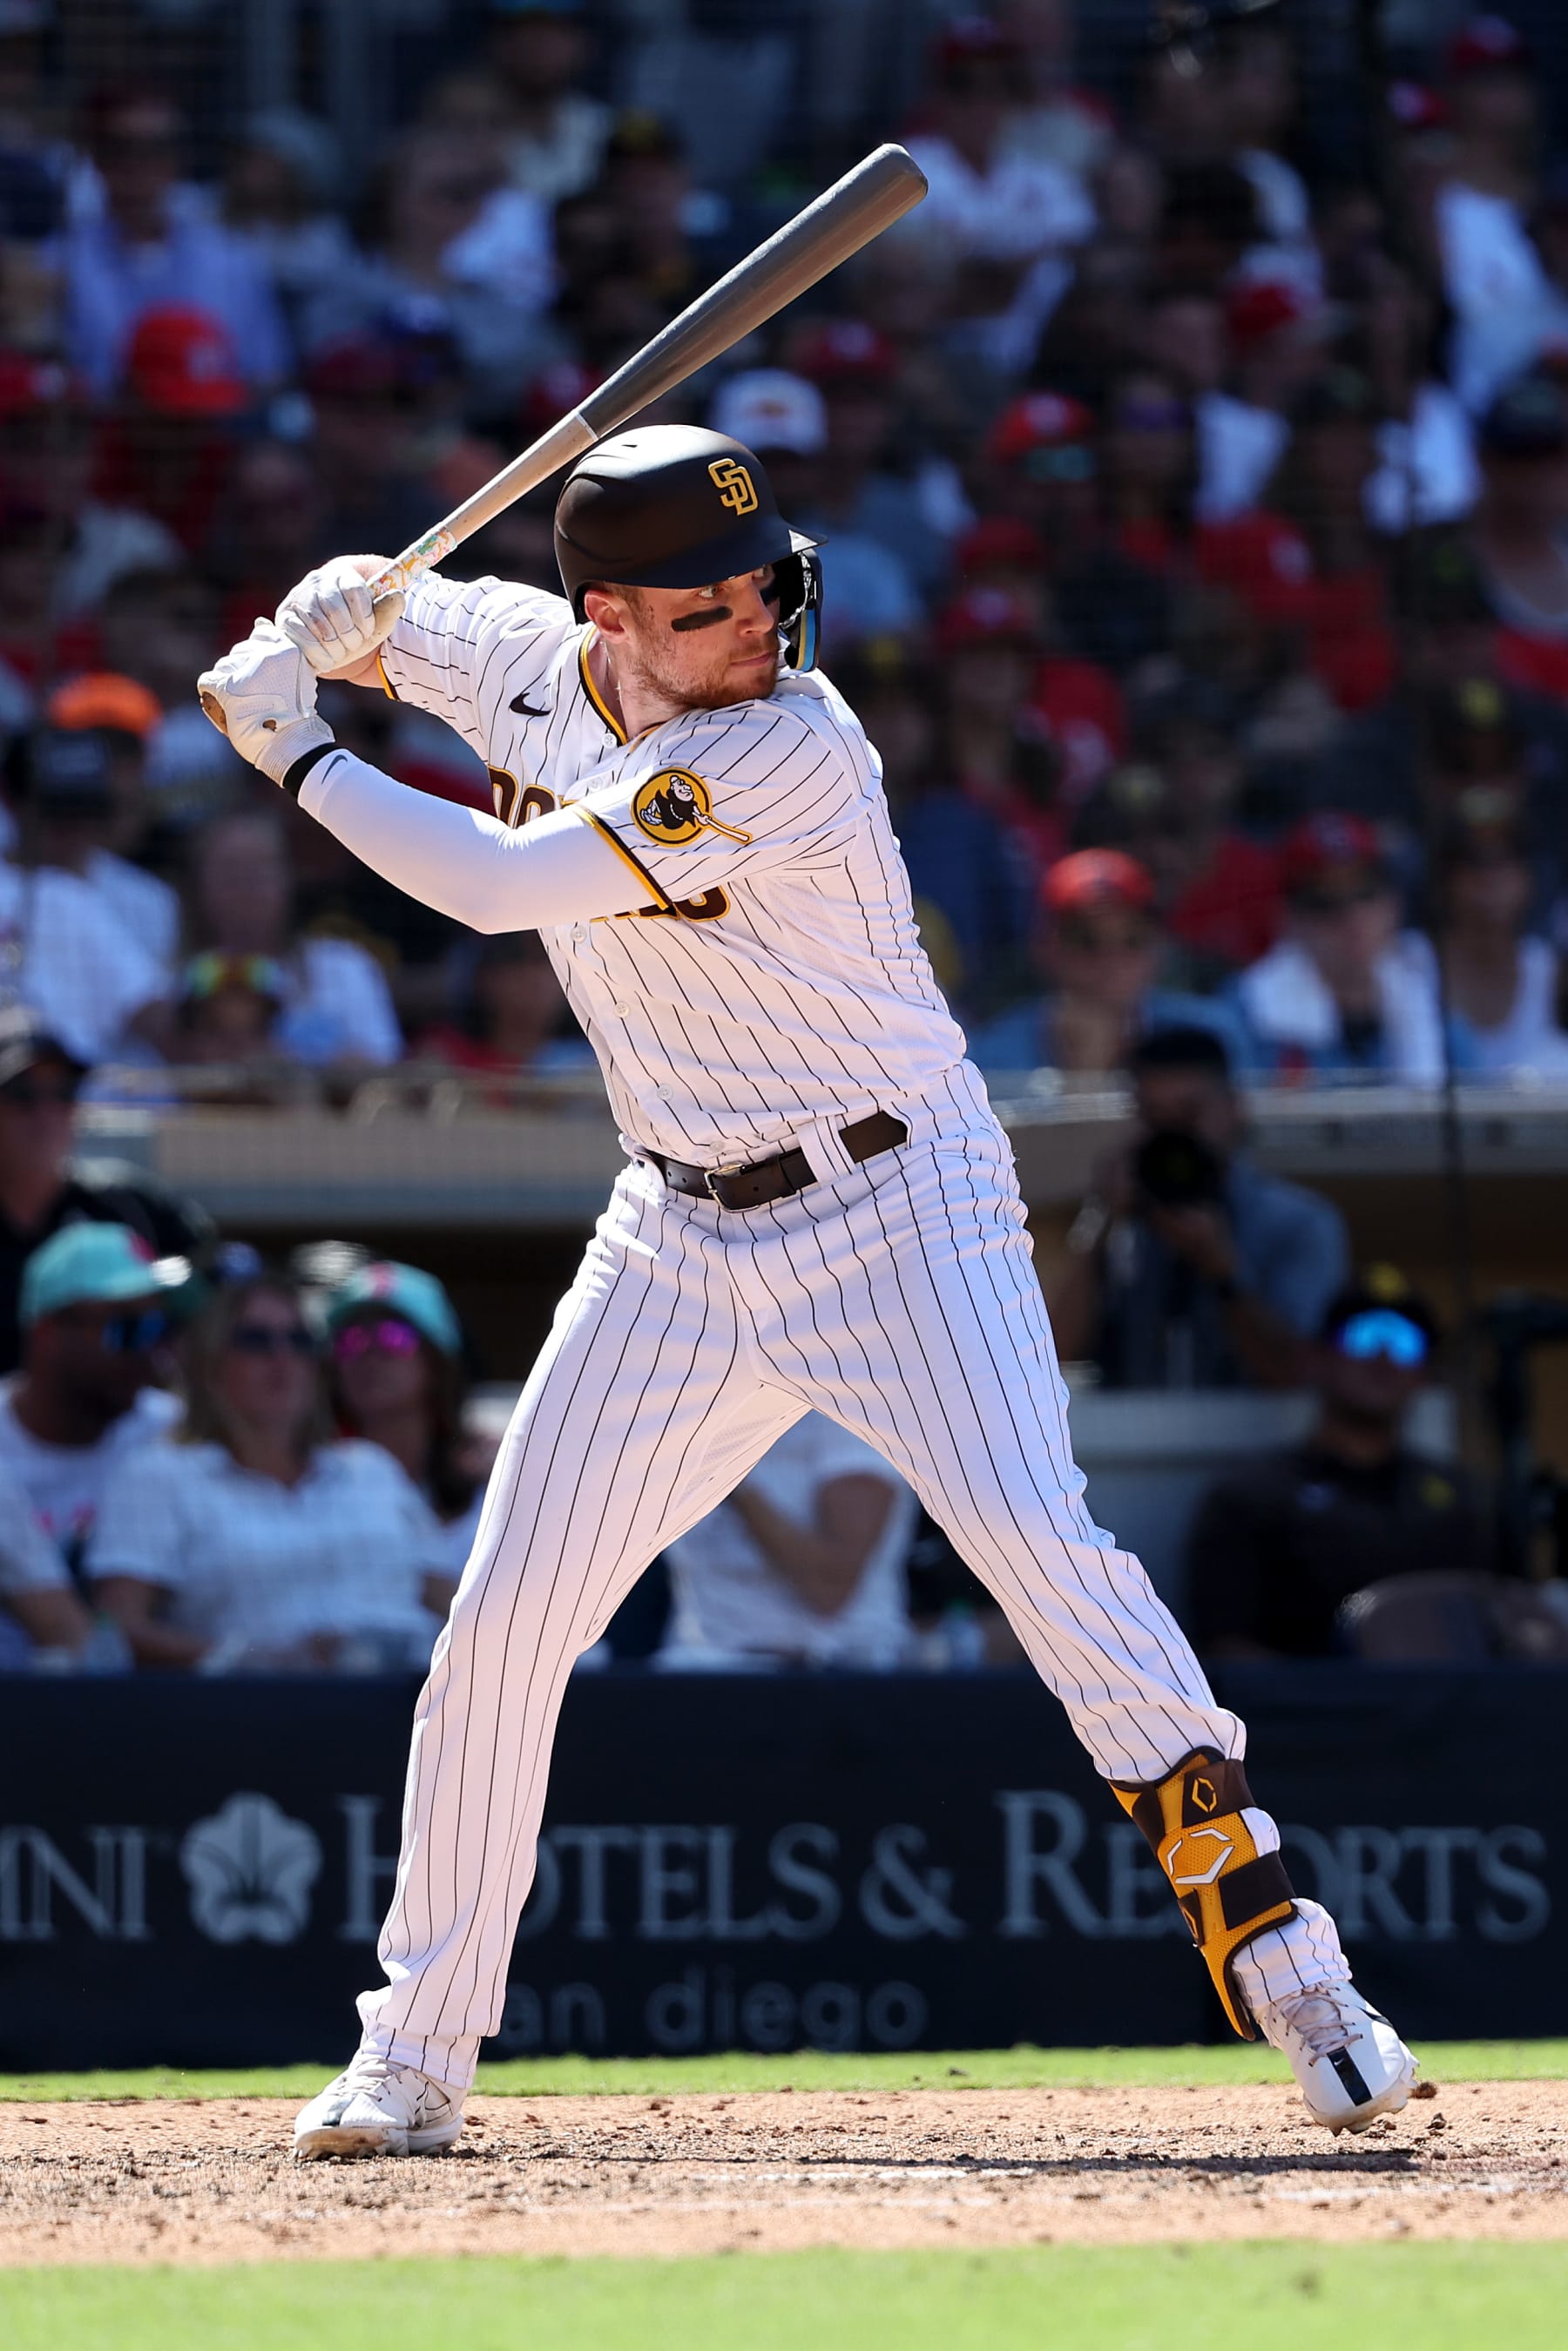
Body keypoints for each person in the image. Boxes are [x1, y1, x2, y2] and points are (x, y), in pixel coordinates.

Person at [198, 421, 1416, 2155]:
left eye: (766, 582)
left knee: (1039, 1547)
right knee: (503, 1624)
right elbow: (417, 627)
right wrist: (339, 619)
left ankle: (1298, 1972)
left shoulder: (793, 746)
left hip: (898, 1201)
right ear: (605, 612)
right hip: (677, 1230)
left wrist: (300, 753)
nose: (753, 619)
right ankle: (414, 2050)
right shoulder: (533, 661)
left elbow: (493, 886)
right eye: (703, 604)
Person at [90, 1271, 448, 1674]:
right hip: (254, 1714)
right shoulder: (158, 1475)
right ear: (209, 1361)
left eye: (299, 1341)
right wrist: (248, 1660)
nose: (282, 1359)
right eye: (256, 1341)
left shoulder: (372, 1468)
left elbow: (453, 1602)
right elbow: (116, 1629)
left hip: (414, 1700)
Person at [1186, 1273, 1490, 1659]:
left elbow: (1515, 1632)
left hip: (1456, 1714)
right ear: (1318, 1358)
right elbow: (1229, 1650)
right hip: (1314, 1716)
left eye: (1405, 1344)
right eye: (1363, 1337)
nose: (1384, 1358)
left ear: (1424, 1373)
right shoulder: (1249, 1498)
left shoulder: (1467, 1500)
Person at [1045, 1023, 1349, 1389]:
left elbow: (1300, 1375)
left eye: (1189, 1114)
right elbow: (1054, 1354)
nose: (1173, 1134)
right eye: (1154, 1117)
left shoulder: (1299, 1223)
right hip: (1133, 1441)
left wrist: (1225, 1272)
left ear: (1235, 1110)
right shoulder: (1118, 1219)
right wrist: (1101, 1220)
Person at [0, 1006, 212, 1374]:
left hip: (113, 1421)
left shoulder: (128, 1206)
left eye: (63, 1094)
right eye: (23, 1095)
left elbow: (214, 1284)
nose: (46, 1113)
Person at [659, 1410, 918, 1671]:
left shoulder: (849, 1414)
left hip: (832, 1673)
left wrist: (730, 1481)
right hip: (696, 1664)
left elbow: (831, 1587)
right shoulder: (692, 1409)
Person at [0, 1219, 187, 1576]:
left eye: (158, 1327)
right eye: (127, 1329)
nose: (149, 1351)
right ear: (48, 1332)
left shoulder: (174, 1432)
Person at [967, 850, 1246, 1079]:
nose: (1111, 960)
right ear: (1046, 949)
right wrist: (1082, 1076)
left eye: (1132, 940)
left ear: (1158, 947)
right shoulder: (992, 1054)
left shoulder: (1210, 1036)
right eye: (1087, 941)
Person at [323, 1258, 494, 1609]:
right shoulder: (306, 1479)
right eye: (352, 1340)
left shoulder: (498, 1478)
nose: (370, 1356)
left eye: (393, 1338)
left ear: (436, 1362)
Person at [1229, 814, 1446, 1084]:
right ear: (1289, 918)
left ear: (1394, 903)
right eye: (1324, 903)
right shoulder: (1245, 1014)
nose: (1353, 918)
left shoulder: (1434, 1000)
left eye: (1366, 894)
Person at [185, 808, 402, 1067]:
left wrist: (295, 1062)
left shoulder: (346, 966)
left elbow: (384, 1068)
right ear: (200, 881)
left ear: (289, 877)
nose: (246, 885)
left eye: (260, 868)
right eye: (230, 869)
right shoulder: (172, 981)